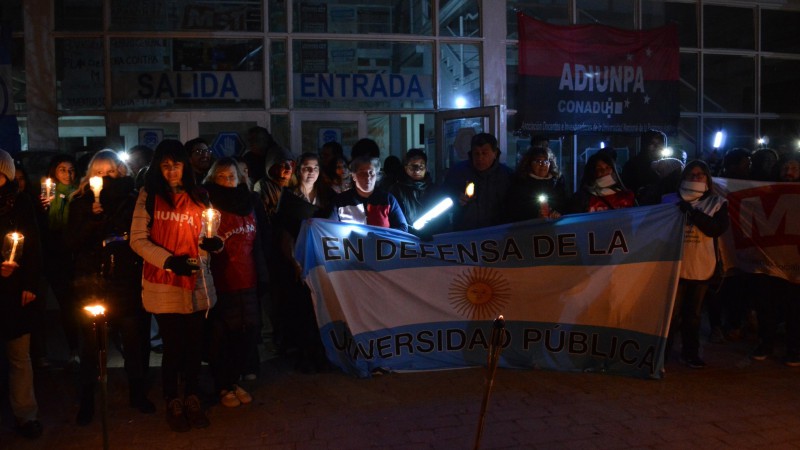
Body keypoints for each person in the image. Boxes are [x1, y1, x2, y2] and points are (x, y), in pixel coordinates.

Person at [129, 139, 221, 432]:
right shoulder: (149, 196)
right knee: (173, 346)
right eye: (165, 165)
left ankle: (192, 395)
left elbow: (208, 233)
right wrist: (169, 261)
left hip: (196, 280)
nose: (171, 171)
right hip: (164, 280)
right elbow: (137, 240)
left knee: (195, 345)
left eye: (176, 164)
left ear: (185, 165)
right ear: (158, 167)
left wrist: (214, 245)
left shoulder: (200, 195)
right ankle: (172, 398)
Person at [65, 150, 154, 425]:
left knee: (133, 339)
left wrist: (110, 216)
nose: (104, 177)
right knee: (91, 343)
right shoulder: (80, 201)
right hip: (92, 280)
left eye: (110, 172)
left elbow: (135, 235)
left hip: (124, 279)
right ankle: (88, 399)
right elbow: (72, 242)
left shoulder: (131, 199)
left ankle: (137, 392)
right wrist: (93, 218)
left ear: (120, 172)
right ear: (91, 175)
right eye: (98, 173)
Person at [202, 157, 266, 407]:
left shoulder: (251, 202)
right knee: (222, 335)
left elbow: (261, 240)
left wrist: (263, 275)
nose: (228, 180)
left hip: (248, 278)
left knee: (247, 333)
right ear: (212, 178)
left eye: (232, 176)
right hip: (221, 278)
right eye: (222, 176)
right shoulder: (208, 202)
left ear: (240, 178)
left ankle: (234, 379)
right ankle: (222, 385)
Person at [662, 160, 729, 368]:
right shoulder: (668, 200)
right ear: (683, 177)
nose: (696, 177)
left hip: (701, 265)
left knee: (693, 314)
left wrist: (692, 212)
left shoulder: (717, 202)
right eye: (692, 173)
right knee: (671, 315)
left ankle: (690, 353)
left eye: (701, 174)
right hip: (674, 265)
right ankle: (662, 354)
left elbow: (716, 229)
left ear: (707, 178)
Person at [274, 152, 334, 372]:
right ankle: (303, 354)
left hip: (322, 261)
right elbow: (284, 234)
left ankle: (322, 352)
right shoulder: (289, 197)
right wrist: (294, 262)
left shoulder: (327, 197)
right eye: (307, 168)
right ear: (299, 170)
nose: (311, 172)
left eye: (315, 168)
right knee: (300, 308)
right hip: (297, 261)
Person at [0, 149, 44, 439]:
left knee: (19, 356)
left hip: (15, 293)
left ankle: (25, 414)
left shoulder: (22, 203)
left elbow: (34, 248)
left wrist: (29, 284)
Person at [750, 153, 800, 366]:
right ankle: (765, 343)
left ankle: (794, 349)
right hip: (769, 260)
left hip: (795, 262)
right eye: (784, 168)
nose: (788, 172)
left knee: (794, 308)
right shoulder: (766, 191)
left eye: (794, 168)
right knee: (766, 306)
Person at [41, 154, 81, 369]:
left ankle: (79, 348)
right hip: (54, 257)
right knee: (62, 304)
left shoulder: (80, 194)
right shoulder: (46, 197)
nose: (68, 174)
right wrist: (45, 209)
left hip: (74, 256)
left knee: (75, 304)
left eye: (71, 169)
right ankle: (65, 349)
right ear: (54, 173)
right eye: (62, 170)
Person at [441, 132, 513, 231]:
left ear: (495, 153)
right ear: (471, 154)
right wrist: (455, 198)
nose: (480, 158)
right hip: (465, 234)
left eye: (484, 153)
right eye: (476, 153)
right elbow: (442, 199)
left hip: (498, 235)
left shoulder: (507, 176)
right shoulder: (457, 173)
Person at [331, 156, 408, 232]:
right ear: (353, 176)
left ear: (376, 175)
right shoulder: (340, 201)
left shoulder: (388, 199)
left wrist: (381, 235)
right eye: (362, 172)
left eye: (371, 172)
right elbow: (329, 227)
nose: (367, 177)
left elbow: (402, 227)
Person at [504, 145, 568, 222]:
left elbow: (564, 205)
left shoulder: (557, 184)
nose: (543, 164)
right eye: (538, 161)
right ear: (529, 163)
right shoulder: (520, 184)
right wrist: (535, 216)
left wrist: (557, 213)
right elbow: (513, 211)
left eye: (546, 161)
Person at [569, 151, 635, 213]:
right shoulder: (581, 198)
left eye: (608, 167)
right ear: (592, 172)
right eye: (599, 169)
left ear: (614, 170)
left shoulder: (627, 195)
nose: (604, 171)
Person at [388, 149, 437, 227]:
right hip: (407, 236)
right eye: (413, 166)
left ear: (426, 167)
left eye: (421, 166)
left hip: (433, 236)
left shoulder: (434, 189)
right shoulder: (396, 190)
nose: (417, 170)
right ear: (405, 168)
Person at [622, 130, 666, 196]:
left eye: (659, 143)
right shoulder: (632, 164)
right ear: (645, 145)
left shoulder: (668, 164)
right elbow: (628, 189)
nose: (657, 147)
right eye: (652, 143)